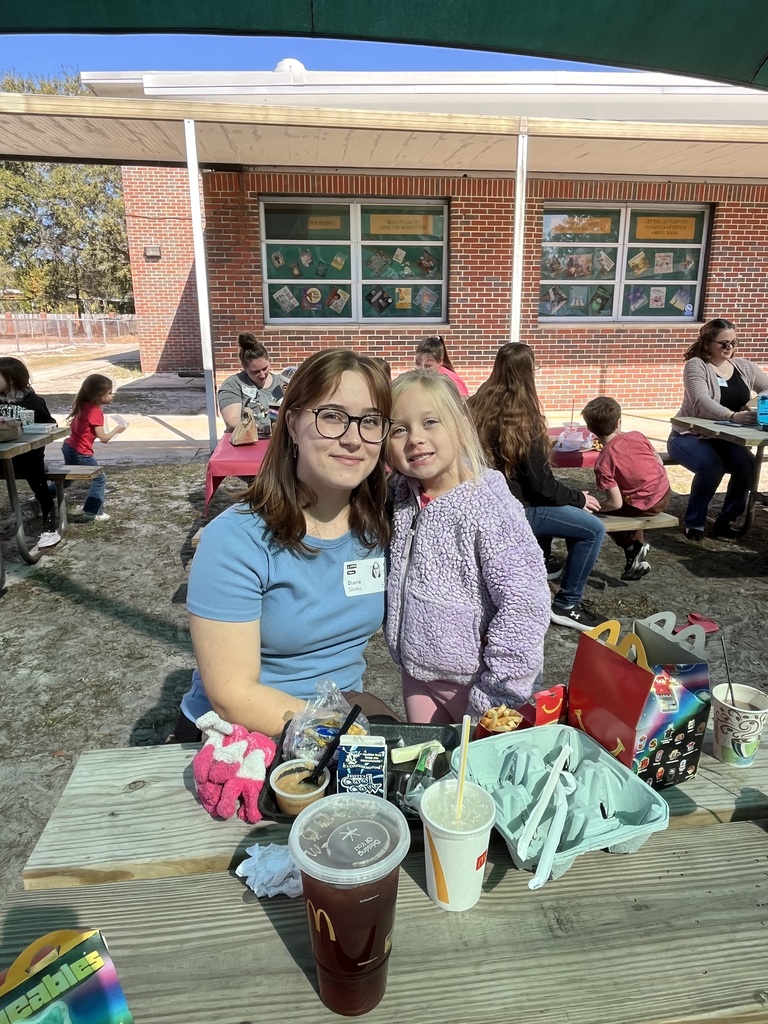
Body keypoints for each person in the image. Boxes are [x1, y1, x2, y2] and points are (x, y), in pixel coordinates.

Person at [176, 348, 394, 741]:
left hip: (344, 711)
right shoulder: (236, 540)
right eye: (332, 416)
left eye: (370, 421)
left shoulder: (380, 527)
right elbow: (232, 695)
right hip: (244, 734)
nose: (353, 439)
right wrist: (341, 732)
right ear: (292, 424)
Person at [384, 369, 550, 725]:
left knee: (472, 762)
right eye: (399, 430)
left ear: (460, 426)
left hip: (479, 685)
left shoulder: (489, 505)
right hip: (417, 673)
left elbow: (525, 604)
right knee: (428, 758)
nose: (415, 438)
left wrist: (498, 694)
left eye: (430, 422)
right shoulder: (401, 494)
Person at [468, 343, 606, 632]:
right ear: (528, 372)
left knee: (561, 506)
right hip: (514, 511)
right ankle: (567, 604)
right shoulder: (524, 419)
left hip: (481, 503)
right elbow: (541, 487)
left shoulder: (474, 405)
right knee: (593, 529)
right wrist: (578, 497)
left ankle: (544, 563)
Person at [667, 318, 768, 541]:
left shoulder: (743, 366)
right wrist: (731, 416)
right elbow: (701, 401)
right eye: (724, 343)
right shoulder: (697, 365)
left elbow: (767, 387)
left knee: (748, 465)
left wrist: (753, 404)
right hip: (690, 435)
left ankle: (726, 519)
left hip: (726, 438)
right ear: (708, 343)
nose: (729, 348)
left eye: (734, 342)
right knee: (711, 466)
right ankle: (695, 523)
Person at [582, 396, 671, 580]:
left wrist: (595, 506)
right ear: (618, 423)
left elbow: (615, 503)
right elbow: (659, 461)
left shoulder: (604, 462)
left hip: (646, 505)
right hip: (664, 492)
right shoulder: (637, 436)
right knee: (630, 499)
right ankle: (634, 559)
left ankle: (632, 547)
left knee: (599, 513)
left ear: (590, 429)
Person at [0, 357, 60, 549]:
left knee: (37, 481)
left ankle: (50, 526)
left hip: (28, 455)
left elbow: (51, 426)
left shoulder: (32, 401)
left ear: (11, 378)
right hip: (3, 455)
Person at [63, 373, 126, 521]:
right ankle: (93, 512)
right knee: (99, 478)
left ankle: (40, 497)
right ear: (98, 395)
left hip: (69, 447)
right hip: (80, 452)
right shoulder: (95, 412)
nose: (112, 395)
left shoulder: (83, 405)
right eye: (109, 393)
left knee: (66, 479)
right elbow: (103, 438)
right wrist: (118, 429)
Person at [217, 334, 292, 430]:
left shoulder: (284, 383)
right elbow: (232, 422)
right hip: (249, 437)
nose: (262, 375)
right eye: (255, 372)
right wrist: (259, 428)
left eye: (265, 368)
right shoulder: (233, 384)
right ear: (245, 368)